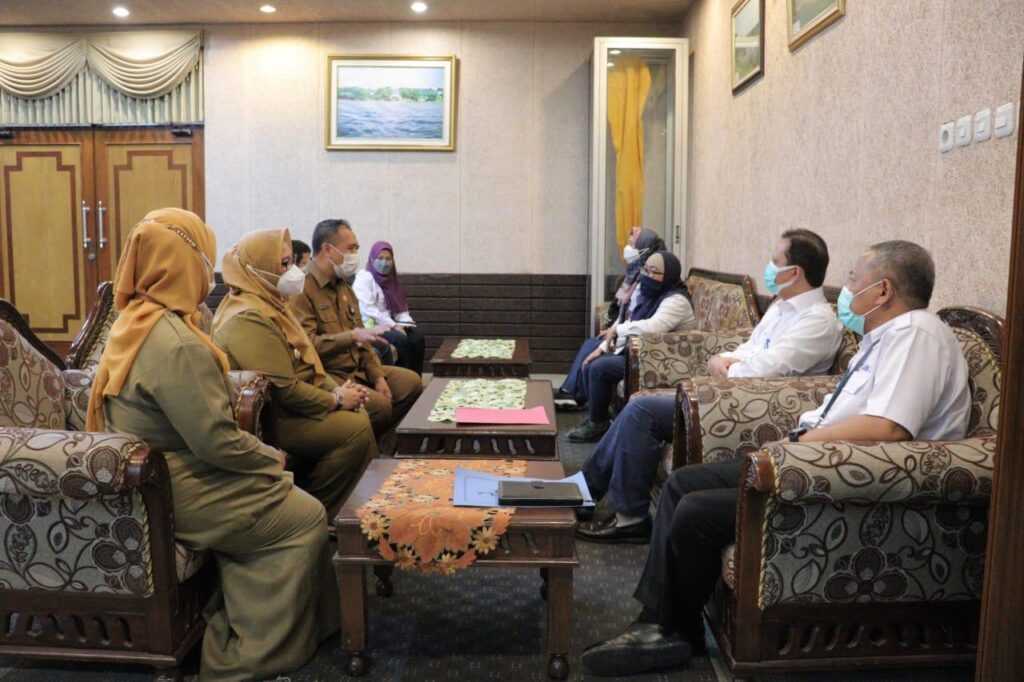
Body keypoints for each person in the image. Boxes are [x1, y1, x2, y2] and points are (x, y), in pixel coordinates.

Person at [581, 240, 970, 677]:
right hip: (812, 457)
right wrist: (797, 440)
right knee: (681, 483)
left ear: (883, 291)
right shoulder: (883, 338)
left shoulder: (916, 335)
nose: (845, 290)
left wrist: (805, 443)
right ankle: (663, 623)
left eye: (853, 280)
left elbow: (889, 428)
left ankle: (667, 631)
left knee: (695, 512)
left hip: (845, 484)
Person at [88, 208, 338, 681]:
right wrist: (270, 456)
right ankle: (246, 655)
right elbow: (216, 442)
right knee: (306, 517)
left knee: (289, 495)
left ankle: (245, 614)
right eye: (204, 258)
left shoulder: (136, 318)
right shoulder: (175, 342)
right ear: (183, 263)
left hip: (157, 474)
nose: (210, 271)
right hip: (179, 484)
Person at [577, 229, 844, 543]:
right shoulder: (780, 307)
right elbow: (747, 350)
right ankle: (587, 492)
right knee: (638, 406)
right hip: (728, 394)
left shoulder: (817, 321)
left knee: (642, 410)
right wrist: (723, 361)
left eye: (775, 261)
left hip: (756, 408)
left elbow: (763, 371)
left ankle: (623, 514)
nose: (769, 268)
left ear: (795, 272)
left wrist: (726, 367)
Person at [211, 227, 377, 519]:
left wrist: (338, 390)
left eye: (291, 262)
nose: (294, 271)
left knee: (361, 414)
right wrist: (336, 400)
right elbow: (283, 390)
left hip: (293, 405)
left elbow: (309, 365)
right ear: (259, 269)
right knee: (355, 429)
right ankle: (320, 509)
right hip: (272, 417)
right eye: (284, 264)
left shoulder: (272, 302)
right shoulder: (248, 316)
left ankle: (361, 508)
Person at [288, 218, 423, 441]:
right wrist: (350, 336)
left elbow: (363, 340)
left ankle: (380, 443)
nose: (355, 255)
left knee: (412, 383)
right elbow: (307, 346)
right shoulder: (302, 288)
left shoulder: (344, 288)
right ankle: (366, 444)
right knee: (381, 407)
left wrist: (378, 376)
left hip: (357, 369)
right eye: (350, 248)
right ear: (327, 250)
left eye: (357, 249)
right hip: (328, 375)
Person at [563, 250, 696, 443]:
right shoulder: (651, 293)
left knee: (600, 368)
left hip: (664, 362)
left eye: (654, 272)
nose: (647, 276)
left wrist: (616, 330)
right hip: (643, 353)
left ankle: (598, 424)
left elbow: (652, 327)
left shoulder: (677, 300)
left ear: (668, 275)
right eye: (646, 270)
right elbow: (631, 319)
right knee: (594, 361)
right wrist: (602, 348)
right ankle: (598, 418)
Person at [353, 240, 426, 375]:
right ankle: (405, 379)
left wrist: (406, 322)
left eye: (388, 259)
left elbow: (400, 307)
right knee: (400, 339)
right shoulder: (364, 278)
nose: (384, 262)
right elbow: (369, 310)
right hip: (372, 325)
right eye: (380, 258)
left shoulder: (392, 280)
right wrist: (394, 325)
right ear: (372, 259)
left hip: (390, 323)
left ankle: (416, 379)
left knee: (417, 338)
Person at [607, 226, 667, 324]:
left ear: (645, 249)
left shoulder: (649, 281)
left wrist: (616, 329)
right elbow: (617, 310)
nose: (627, 249)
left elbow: (640, 315)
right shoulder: (631, 278)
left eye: (632, 245)